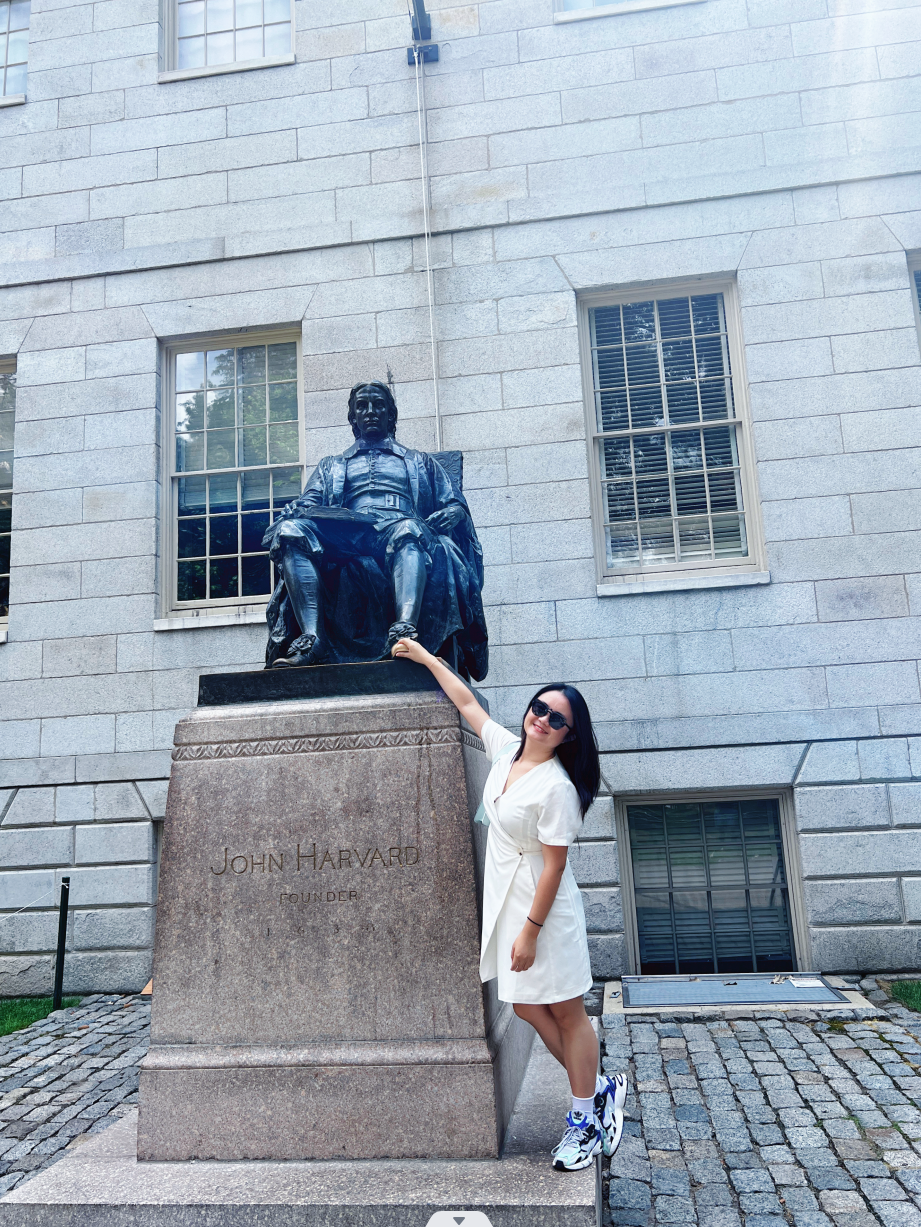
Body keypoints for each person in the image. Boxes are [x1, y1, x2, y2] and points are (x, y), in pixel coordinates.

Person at [391, 636, 628, 1172]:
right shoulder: (504, 751)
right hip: (507, 901)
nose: (542, 719)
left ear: (569, 735)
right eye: (539, 708)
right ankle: (598, 1091)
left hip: (544, 913)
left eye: (557, 719)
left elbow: (555, 868)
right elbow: (466, 701)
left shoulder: (557, 788)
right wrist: (426, 658)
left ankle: (584, 1122)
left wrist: (530, 932)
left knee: (567, 1012)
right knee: (524, 1006)